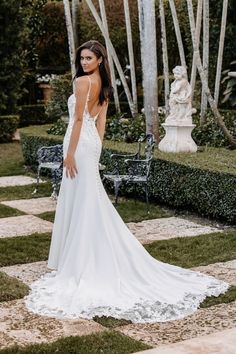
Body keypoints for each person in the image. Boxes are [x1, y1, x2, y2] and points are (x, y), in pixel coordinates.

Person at [25, 41, 228, 323]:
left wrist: (70, 154)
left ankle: (78, 260)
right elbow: (101, 124)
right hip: (89, 145)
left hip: (79, 145)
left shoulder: (83, 82)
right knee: (87, 198)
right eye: (81, 58)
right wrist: (94, 149)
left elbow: (82, 120)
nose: (83, 62)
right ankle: (79, 255)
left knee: (82, 198)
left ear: (99, 60)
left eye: (88, 58)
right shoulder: (104, 86)